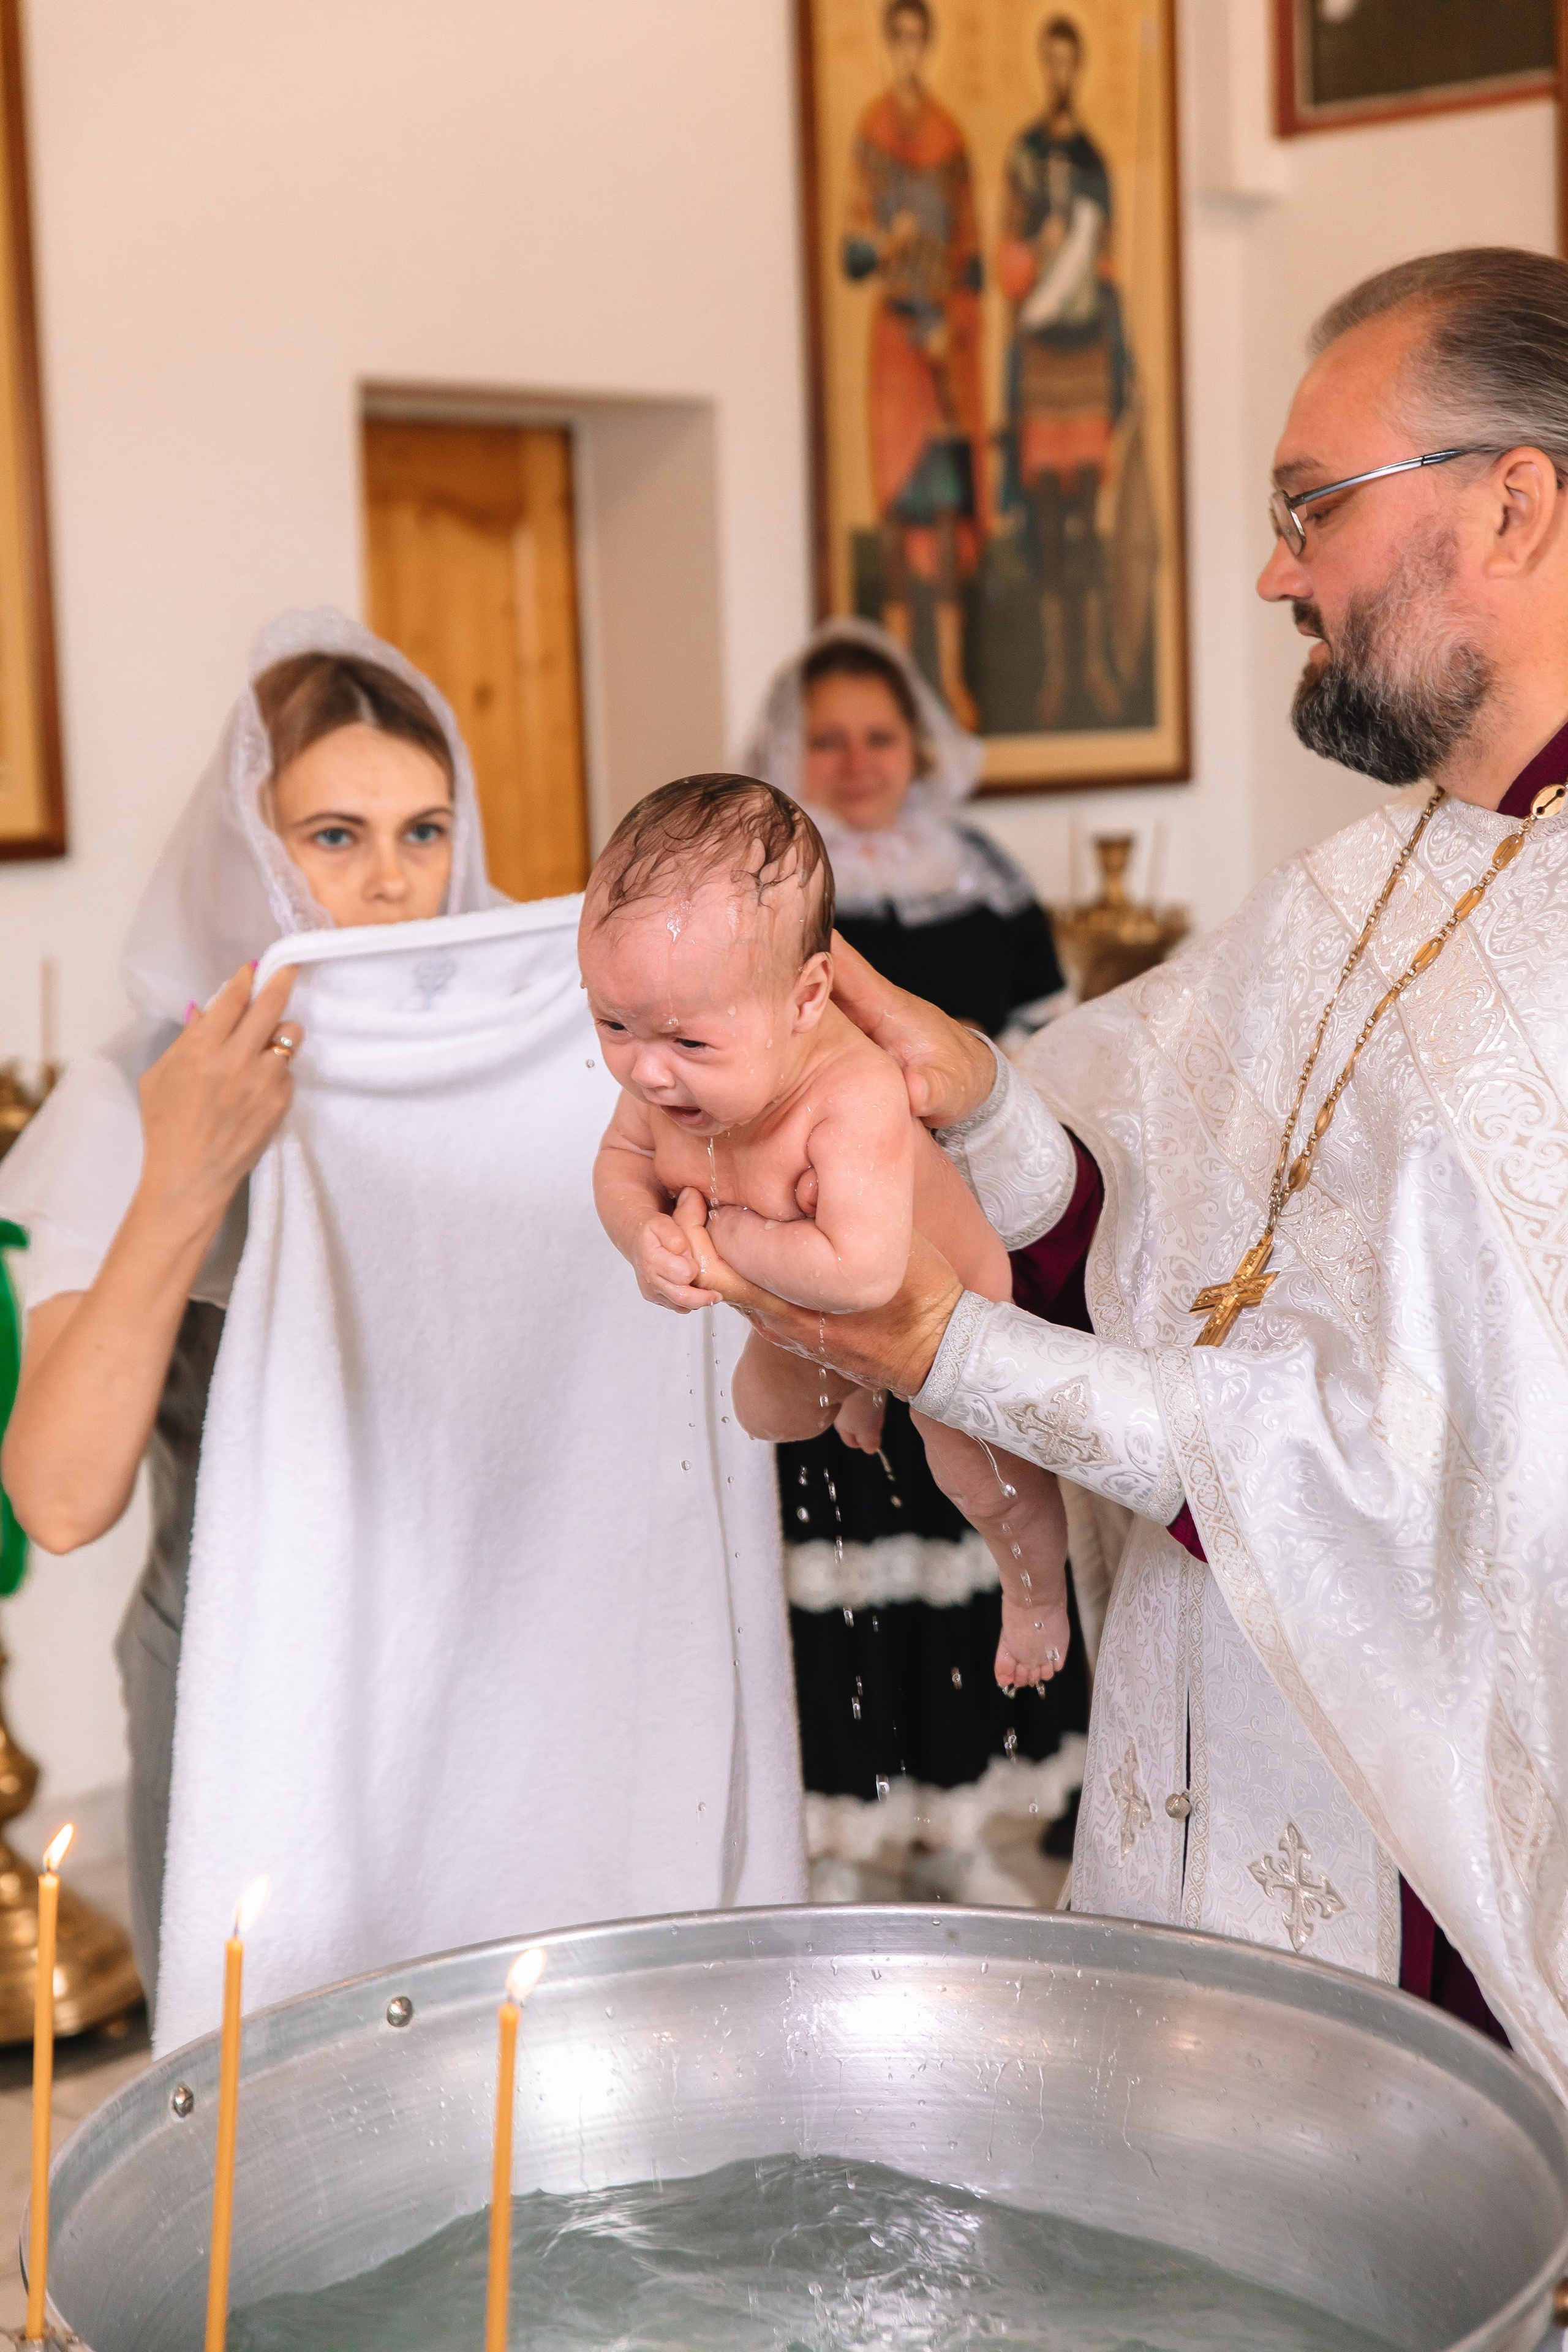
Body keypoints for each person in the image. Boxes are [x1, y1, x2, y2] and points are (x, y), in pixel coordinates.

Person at [688, 247, 1568, 2090]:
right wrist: (983, 1105)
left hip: (1451, 1908)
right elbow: (1150, 1228)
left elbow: (1413, 1490)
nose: (1272, 571)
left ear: (1513, 501)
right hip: (1220, 1796)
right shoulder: (1371, 878)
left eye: (1308, 509)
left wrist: (951, 1349)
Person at [1, 613, 802, 2030]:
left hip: (519, 1655)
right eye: (332, 835)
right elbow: (59, 1498)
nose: (390, 882)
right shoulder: (137, 1092)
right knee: (282, 2125)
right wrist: (186, 1174)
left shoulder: (562, 1056)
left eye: (424, 830)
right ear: (247, 845)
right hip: (258, 1684)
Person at [582, 774, 1072, 1693]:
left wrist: (719, 1242)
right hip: (803, 1308)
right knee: (763, 1414)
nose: (645, 1072)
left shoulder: (850, 1098)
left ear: (808, 999)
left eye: (688, 1043)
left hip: (946, 1318)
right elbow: (619, 1164)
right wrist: (643, 1236)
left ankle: (1037, 1588)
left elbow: (862, 1271)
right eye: (612, 1023)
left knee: (980, 1473)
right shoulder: (660, 1079)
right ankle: (853, 1389)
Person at [741, 619, 1085, 1904]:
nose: (854, 760)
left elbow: (1040, 1056)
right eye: (825, 739)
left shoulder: (982, 872)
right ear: (790, 752)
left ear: (916, 745)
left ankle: (963, 1819)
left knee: (969, 1516)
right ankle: (849, 1836)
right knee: (846, 1528)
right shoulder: (778, 896)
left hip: (951, 1235)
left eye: (877, 735)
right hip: (824, 1245)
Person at [843, 0, 986, 726]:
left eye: (915, 40)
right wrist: (883, 241)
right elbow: (851, 251)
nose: (906, 52)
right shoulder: (869, 134)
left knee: (944, 506)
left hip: (942, 350)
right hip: (895, 349)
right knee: (902, 514)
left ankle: (953, 680)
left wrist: (955, 331)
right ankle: (902, 688)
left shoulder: (950, 140)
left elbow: (971, 258)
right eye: (894, 40)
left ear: (927, 47)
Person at [999, 13, 1128, 725]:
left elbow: (1109, 262)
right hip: (1043, 355)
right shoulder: (1021, 155)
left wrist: (1088, 254)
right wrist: (1036, 249)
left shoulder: (1093, 159)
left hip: (1086, 352)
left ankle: (1092, 666)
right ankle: (1054, 670)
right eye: (1047, 63)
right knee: (1048, 521)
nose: (1057, 76)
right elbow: (1003, 257)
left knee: (1085, 517)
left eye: (1066, 63)